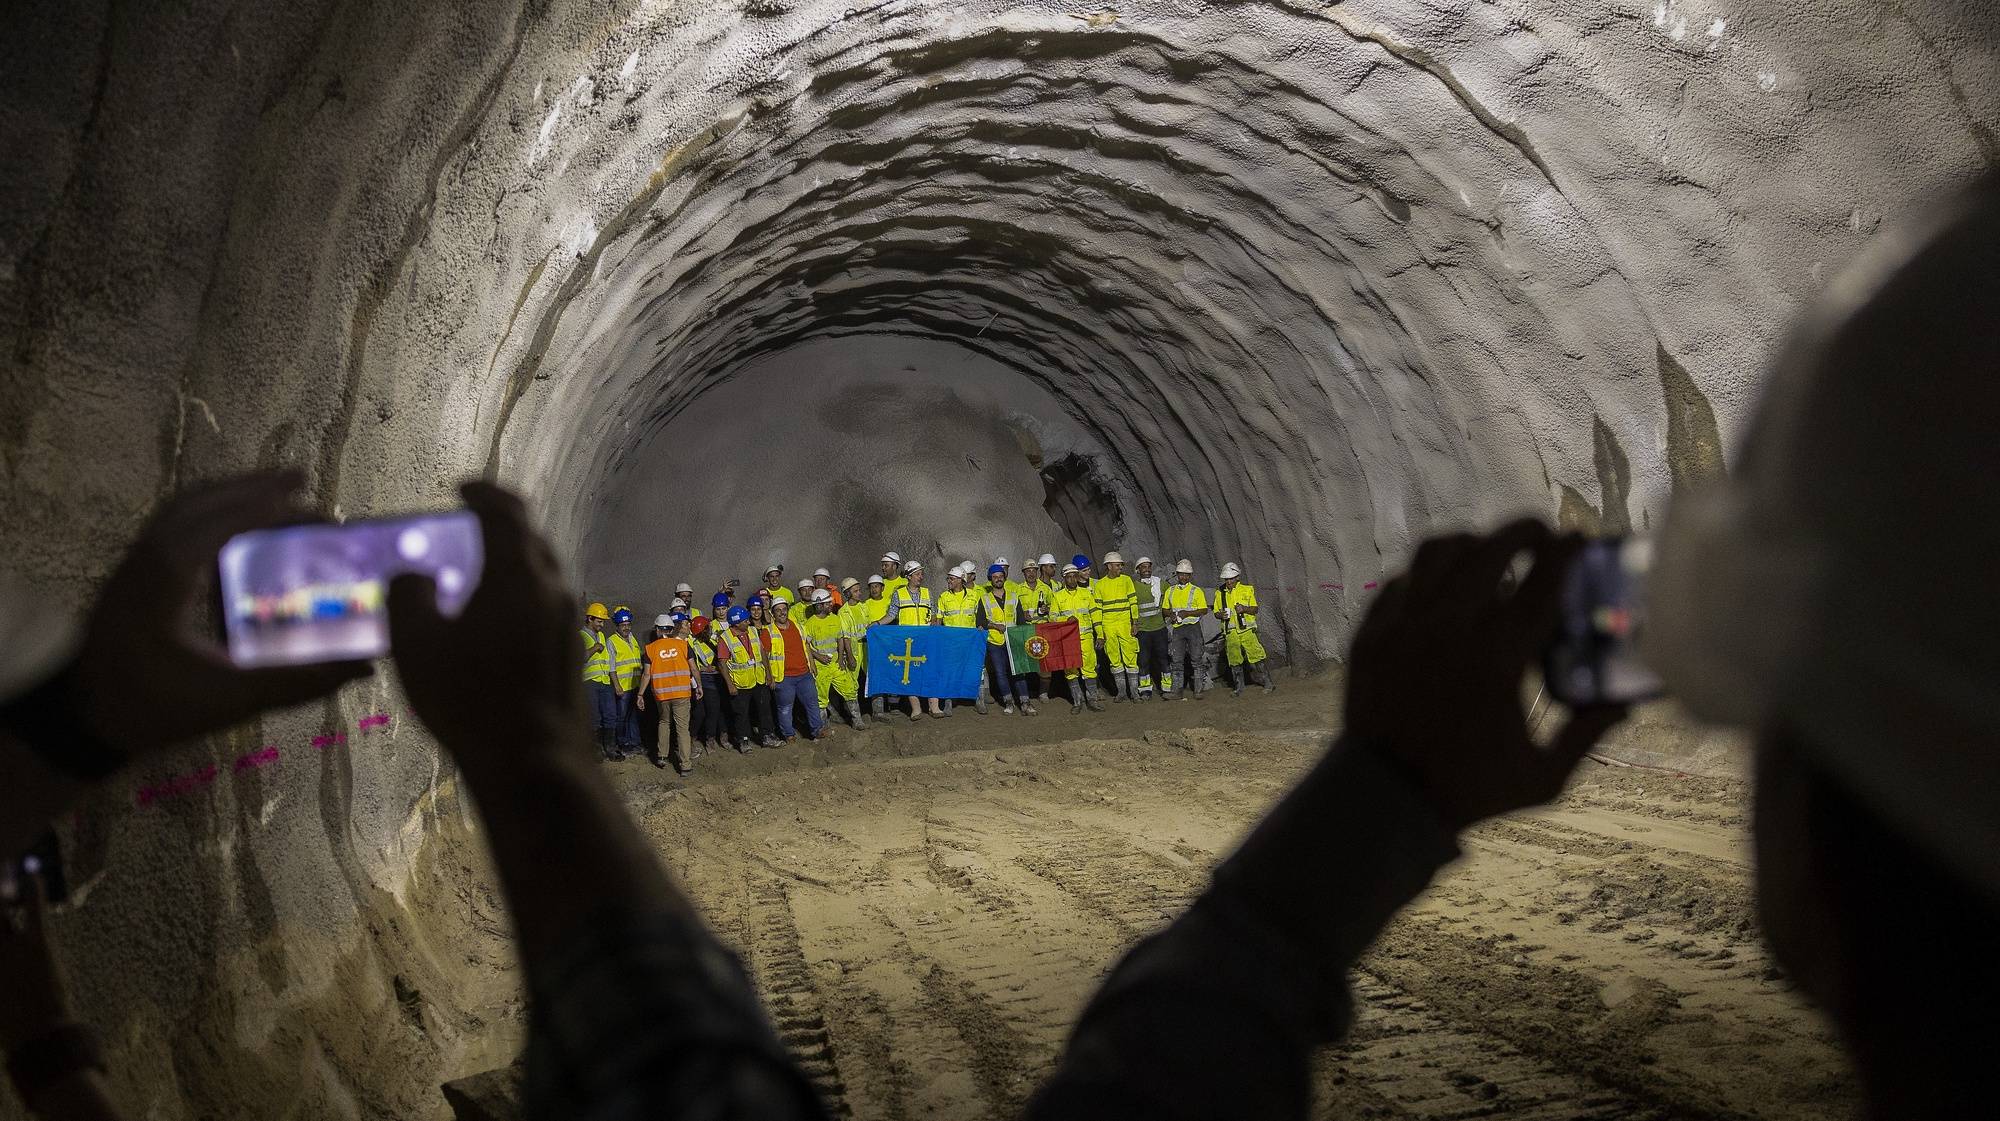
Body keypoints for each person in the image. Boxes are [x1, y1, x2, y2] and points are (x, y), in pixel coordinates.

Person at [877, 561, 941, 721]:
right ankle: (916, 709)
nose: (921, 577)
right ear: (909, 576)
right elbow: (891, 615)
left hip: (926, 640)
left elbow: (934, 612)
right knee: (910, 674)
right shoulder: (899, 594)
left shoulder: (928, 592)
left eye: (921, 573)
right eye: (918, 574)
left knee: (930, 672)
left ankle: (934, 707)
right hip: (908, 642)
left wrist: (934, 619)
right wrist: (877, 624)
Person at [638, 614, 700, 774]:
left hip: (662, 694)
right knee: (682, 728)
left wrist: (640, 694)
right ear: (672, 629)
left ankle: (662, 756)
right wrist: (699, 686)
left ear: (658, 630)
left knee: (664, 722)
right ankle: (685, 765)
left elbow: (646, 675)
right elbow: (693, 669)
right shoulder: (684, 646)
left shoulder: (650, 649)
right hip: (681, 693)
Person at [713, 606, 777, 751]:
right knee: (741, 714)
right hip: (740, 683)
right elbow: (722, 664)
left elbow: (762, 653)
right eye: (745, 620)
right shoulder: (726, 638)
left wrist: (768, 673)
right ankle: (744, 740)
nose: (748, 622)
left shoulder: (753, 631)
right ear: (736, 623)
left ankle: (768, 736)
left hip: (758, 679)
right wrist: (730, 685)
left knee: (765, 708)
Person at [979, 564, 1036, 715]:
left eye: (1000, 576)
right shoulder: (984, 599)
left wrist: (1023, 638)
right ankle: (1008, 702)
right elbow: (980, 622)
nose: (998, 579)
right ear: (990, 579)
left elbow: (1021, 621)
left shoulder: (1013, 596)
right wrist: (995, 626)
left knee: (1019, 672)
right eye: (995, 577)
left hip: (1013, 640)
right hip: (995, 642)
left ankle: (1025, 703)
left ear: (1004, 578)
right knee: (1000, 673)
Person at [768, 598, 827, 742]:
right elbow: (764, 656)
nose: (782, 612)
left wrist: (812, 665)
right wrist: (770, 677)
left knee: (812, 703)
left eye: (784, 609)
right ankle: (789, 734)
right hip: (784, 677)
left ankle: (817, 730)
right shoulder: (768, 632)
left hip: (804, 674)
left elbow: (806, 646)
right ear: (772, 613)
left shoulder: (799, 626)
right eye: (778, 610)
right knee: (785, 708)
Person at [1049, 564, 1106, 713]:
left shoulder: (1087, 594)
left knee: (1090, 669)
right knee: (1071, 670)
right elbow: (1052, 618)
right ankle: (1077, 701)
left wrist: (1100, 634)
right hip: (1068, 640)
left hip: (1086, 637)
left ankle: (1092, 701)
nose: (1072, 579)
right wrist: (1066, 618)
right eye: (1069, 576)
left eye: (1074, 576)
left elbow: (1096, 615)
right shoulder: (1058, 596)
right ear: (1064, 578)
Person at [802, 590, 860, 729]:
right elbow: (806, 645)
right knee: (821, 697)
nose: (831, 604)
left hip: (835, 662)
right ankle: (822, 725)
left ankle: (857, 720)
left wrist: (840, 658)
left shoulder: (835, 618)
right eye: (828, 603)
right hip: (820, 665)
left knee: (849, 689)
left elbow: (840, 639)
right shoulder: (810, 624)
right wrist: (818, 656)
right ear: (819, 605)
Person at [1215, 563, 1275, 697]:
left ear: (1237, 577)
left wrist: (1244, 608)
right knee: (1234, 659)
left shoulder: (1247, 590)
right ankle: (1239, 687)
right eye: (1226, 579)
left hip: (1247, 630)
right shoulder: (1220, 593)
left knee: (1256, 655)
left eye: (1231, 578)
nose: (1229, 581)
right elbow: (1216, 612)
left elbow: (1255, 609)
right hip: (1231, 632)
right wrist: (1220, 614)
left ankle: (1268, 683)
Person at [1093, 553, 1140, 702]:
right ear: (1109, 566)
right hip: (1108, 626)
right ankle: (1122, 693)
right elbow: (1097, 611)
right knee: (1114, 660)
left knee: (1131, 658)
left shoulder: (1126, 580)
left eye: (1121, 565)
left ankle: (1135, 693)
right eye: (1118, 565)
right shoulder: (1100, 585)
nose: (1121, 567)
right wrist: (1100, 632)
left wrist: (1135, 623)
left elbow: (1133, 602)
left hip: (1125, 624)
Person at [1163, 559, 1211, 700]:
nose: (1183, 577)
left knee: (1196, 659)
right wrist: (1170, 614)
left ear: (1190, 576)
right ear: (1177, 574)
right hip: (1177, 629)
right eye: (1181, 574)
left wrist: (1188, 613)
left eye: (1186, 575)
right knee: (1176, 661)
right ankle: (1177, 691)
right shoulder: (1170, 591)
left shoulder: (1196, 591)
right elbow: (1165, 609)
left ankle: (1198, 690)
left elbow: (1203, 609)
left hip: (1193, 628)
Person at [937, 567, 981, 716]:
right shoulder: (943, 597)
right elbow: (938, 619)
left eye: (952, 578)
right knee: (949, 671)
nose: (949, 581)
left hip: (970, 642)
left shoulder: (975, 596)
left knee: (974, 670)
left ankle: (977, 700)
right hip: (951, 642)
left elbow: (979, 618)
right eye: (948, 578)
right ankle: (948, 702)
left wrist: (980, 628)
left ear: (961, 580)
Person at [580, 602, 620, 759]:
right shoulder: (580, 636)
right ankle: (595, 750)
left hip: (604, 682)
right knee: (594, 717)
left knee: (610, 715)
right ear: (590, 618)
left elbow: (608, 660)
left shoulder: (602, 636)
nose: (602, 624)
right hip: (589, 682)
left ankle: (609, 748)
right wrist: (594, 648)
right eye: (599, 621)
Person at [607, 607, 647, 758]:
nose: (626, 628)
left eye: (628, 624)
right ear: (617, 626)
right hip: (623, 687)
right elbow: (612, 667)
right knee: (622, 717)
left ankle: (635, 743)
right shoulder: (612, 641)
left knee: (633, 717)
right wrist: (617, 686)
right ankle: (623, 744)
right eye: (623, 625)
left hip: (635, 685)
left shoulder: (632, 638)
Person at [1132, 558, 1171, 699]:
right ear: (1138, 570)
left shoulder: (1160, 583)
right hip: (1143, 631)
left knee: (1163, 659)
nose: (1147, 569)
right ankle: (1145, 690)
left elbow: (1172, 593)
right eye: (1143, 567)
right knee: (1143, 661)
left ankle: (1167, 688)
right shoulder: (1134, 586)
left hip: (1159, 628)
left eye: (1148, 567)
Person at [688, 615, 725, 757]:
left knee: (713, 711)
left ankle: (708, 737)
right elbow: (695, 666)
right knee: (705, 712)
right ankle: (702, 739)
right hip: (705, 681)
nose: (710, 629)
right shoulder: (695, 646)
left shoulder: (713, 641)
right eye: (707, 628)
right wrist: (705, 669)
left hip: (716, 678)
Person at [857, 575, 891, 721]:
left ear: (883, 588)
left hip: (887, 647)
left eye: (877, 586)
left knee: (887, 675)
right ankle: (877, 711)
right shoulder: (865, 605)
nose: (874, 589)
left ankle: (891, 708)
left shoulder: (890, 604)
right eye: (871, 586)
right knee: (873, 676)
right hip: (871, 647)